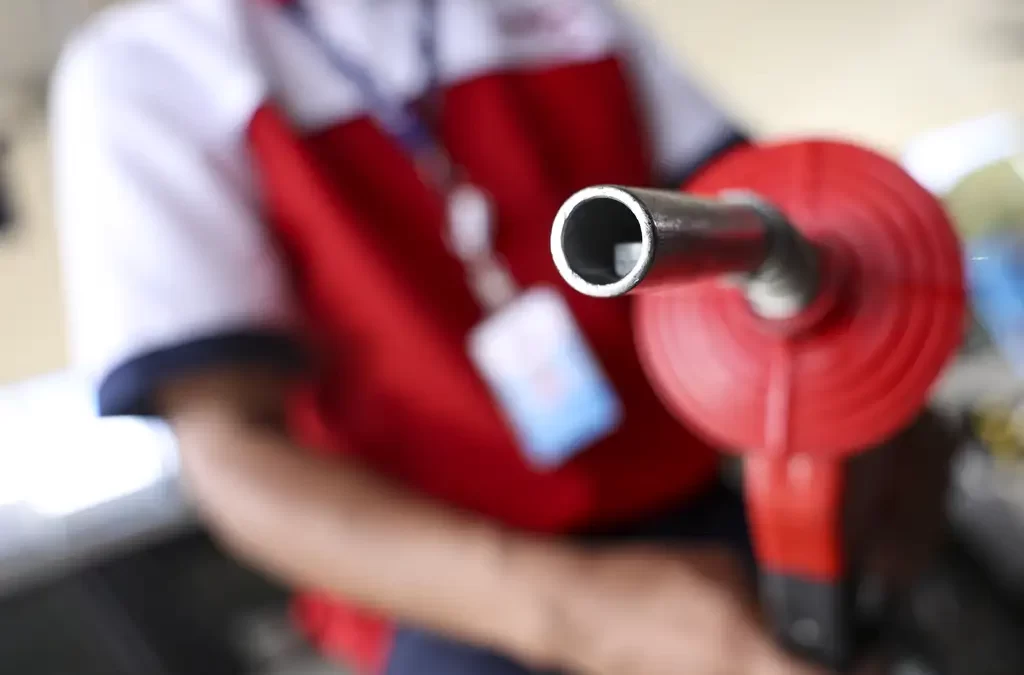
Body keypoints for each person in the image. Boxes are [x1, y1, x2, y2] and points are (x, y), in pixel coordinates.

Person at [51, 1, 948, 673]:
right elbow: (231, 458)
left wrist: (889, 424)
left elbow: (775, 233)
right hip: (453, 595)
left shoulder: (563, 14)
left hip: (712, 522)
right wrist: (575, 612)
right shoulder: (151, 73)